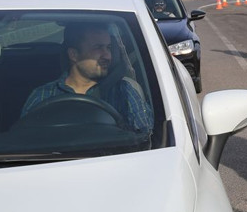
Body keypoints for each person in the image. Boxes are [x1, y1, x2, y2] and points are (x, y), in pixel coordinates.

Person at [22, 22, 153, 133]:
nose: (107, 56)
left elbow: (146, 136)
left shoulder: (123, 92)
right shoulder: (43, 95)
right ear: (73, 54)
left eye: (109, 48)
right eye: (98, 48)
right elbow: (23, 140)